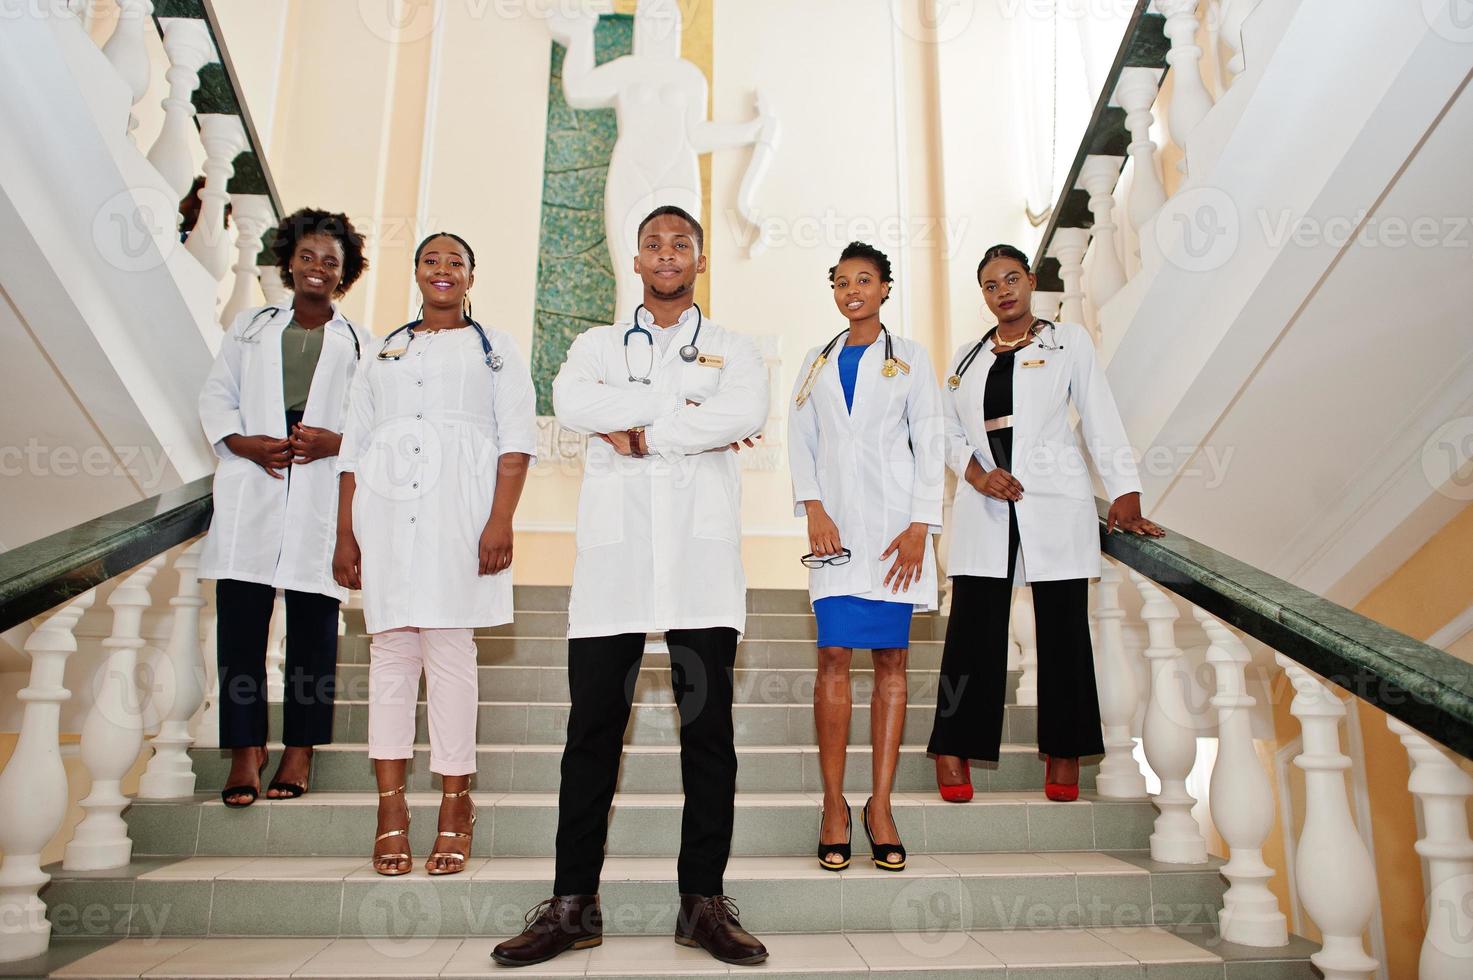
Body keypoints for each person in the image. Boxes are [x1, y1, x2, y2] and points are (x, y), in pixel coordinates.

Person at [492, 206, 769, 968]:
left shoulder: (733, 349)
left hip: (699, 568)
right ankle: (573, 906)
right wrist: (690, 416)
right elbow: (574, 400)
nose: (667, 253)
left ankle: (701, 903)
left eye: (681, 242)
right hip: (613, 567)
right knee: (590, 739)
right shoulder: (594, 344)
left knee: (707, 738)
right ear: (636, 257)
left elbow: (744, 411)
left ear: (700, 260)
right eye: (654, 243)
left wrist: (643, 433)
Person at [927, 244, 1163, 804]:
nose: (1003, 290)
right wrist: (977, 474)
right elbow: (942, 429)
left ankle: (1064, 750)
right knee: (972, 632)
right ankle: (953, 747)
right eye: (990, 284)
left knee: (1063, 630)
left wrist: (1125, 492)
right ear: (982, 294)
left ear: (1031, 281)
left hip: (1052, 497)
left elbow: (1100, 412)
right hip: (987, 502)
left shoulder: (1068, 342)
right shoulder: (965, 359)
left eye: (1012, 279)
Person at [332, 233, 536, 876]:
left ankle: (455, 803)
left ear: (472, 275)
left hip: (461, 514)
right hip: (386, 517)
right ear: (415, 272)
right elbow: (353, 451)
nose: (442, 270)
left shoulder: (496, 348)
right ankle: (390, 810)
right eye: (431, 260)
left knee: (449, 652)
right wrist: (345, 533)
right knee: (391, 654)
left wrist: (500, 520)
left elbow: (516, 439)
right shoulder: (382, 352)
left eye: (455, 262)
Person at [198, 208, 369, 808]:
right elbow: (219, 395)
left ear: (344, 274)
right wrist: (241, 442)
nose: (317, 268)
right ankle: (246, 750)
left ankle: (300, 749)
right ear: (289, 260)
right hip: (256, 479)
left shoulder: (362, 345)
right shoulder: (249, 327)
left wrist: (336, 443)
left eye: (331, 261)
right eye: (308, 257)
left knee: (314, 632)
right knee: (241, 627)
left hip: (322, 488)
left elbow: (378, 424)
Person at [788, 242, 943, 873]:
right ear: (834, 290)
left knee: (892, 659)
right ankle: (833, 805)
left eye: (865, 280)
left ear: (885, 289)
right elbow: (802, 439)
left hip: (892, 532)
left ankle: (880, 806)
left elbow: (930, 437)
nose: (853, 290)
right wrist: (814, 508)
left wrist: (920, 525)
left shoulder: (911, 359)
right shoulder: (815, 361)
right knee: (831, 656)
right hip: (835, 531)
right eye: (842, 282)